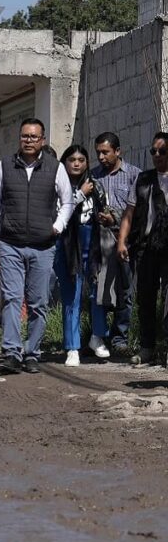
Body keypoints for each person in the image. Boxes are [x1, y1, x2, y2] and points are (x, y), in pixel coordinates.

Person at [0, 118, 75, 374]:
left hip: (43, 246)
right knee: (12, 299)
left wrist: (57, 226)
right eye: (25, 136)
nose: (29, 141)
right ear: (19, 138)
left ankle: (32, 353)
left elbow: (67, 202)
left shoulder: (55, 168)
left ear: (42, 140)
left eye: (34, 137)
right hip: (10, 243)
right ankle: (11, 353)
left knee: (38, 302)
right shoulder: (4, 166)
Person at [117, 132, 168, 367]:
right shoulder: (144, 179)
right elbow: (129, 213)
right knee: (145, 298)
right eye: (153, 151)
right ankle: (147, 347)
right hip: (146, 247)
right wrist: (121, 241)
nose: (157, 156)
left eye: (162, 151)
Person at [53, 145, 106, 367]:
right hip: (67, 244)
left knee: (98, 292)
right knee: (71, 297)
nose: (76, 163)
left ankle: (97, 336)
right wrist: (80, 193)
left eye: (81, 159)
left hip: (92, 243)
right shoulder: (57, 186)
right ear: (64, 162)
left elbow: (103, 208)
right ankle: (72, 347)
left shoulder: (96, 185)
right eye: (72, 159)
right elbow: (59, 213)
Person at [90, 131, 141, 356]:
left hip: (126, 242)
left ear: (118, 151)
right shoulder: (93, 177)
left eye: (105, 152)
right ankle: (98, 336)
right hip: (100, 242)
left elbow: (137, 211)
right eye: (98, 152)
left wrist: (115, 218)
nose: (101, 157)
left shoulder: (133, 175)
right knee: (100, 291)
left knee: (125, 291)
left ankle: (120, 338)